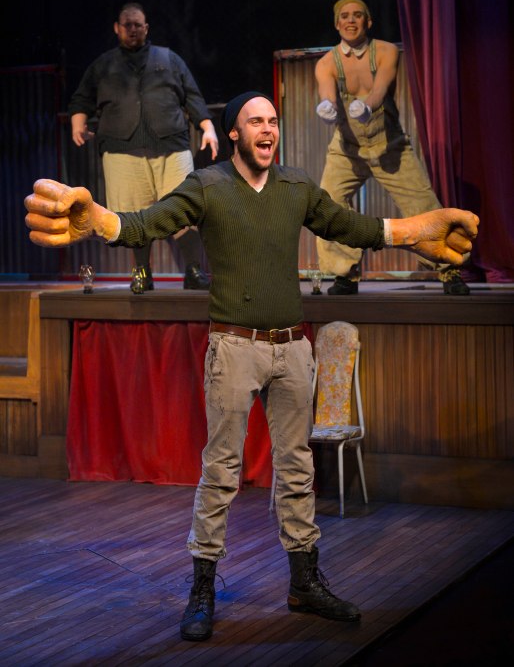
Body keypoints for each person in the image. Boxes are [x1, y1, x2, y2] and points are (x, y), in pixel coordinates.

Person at [25, 92, 478, 642]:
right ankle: (202, 588)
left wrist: (416, 233)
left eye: (272, 122)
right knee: (221, 472)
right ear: (234, 134)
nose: (267, 129)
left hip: (292, 349)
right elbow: (149, 223)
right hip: (235, 348)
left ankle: (304, 582)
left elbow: (346, 227)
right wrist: (97, 219)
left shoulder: (294, 186)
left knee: (297, 470)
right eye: (255, 122)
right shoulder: (208, 186)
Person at [315, 0, 469, 296]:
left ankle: (450, 270)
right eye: (344, 16)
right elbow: (327, 93)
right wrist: (327, 107)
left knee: (423, 205)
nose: (350, 20)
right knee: (328, 204)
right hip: (348, 149)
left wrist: (368, 105)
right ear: (336, 24)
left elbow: (380, 87)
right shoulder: (327, 62)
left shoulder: (385, 51)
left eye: (357, 15)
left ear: (367, 21)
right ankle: (344, 274)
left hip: (390, 145)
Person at [69, 1, 218, 291]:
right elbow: (81, 97)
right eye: (128, 24)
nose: (133, 29)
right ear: (117, 28)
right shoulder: (103, 64)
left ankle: (194, 270)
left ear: (146, 27)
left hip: (172, 147)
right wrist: (78, 122)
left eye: (139, 24)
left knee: (185, 208)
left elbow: (193, 96)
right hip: (122, 150)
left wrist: (207, 127)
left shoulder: (169, 59)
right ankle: (141, 272)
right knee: (132, 213)